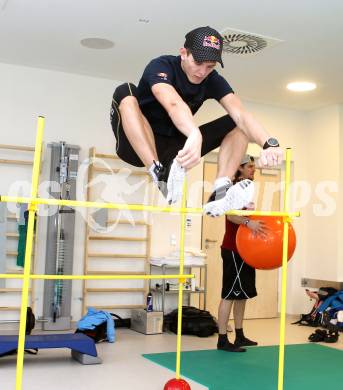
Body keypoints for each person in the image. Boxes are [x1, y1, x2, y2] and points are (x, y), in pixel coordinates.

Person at [110, 26, 283, 216]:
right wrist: (194, 133)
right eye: (198, 63)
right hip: (136, 144)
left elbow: (241, 114)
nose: (202, 72)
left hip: (174, 150)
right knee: (125, 90)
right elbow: (173, 103)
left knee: (236, 123)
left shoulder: (213, 80)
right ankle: (158, 174)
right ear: (183, 53)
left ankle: (220, 190)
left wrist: (269, 143)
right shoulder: (161, 66)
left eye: (210, 67)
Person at [217, 155, 267, 352]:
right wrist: (248, 222)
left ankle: (239, 335)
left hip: (246, 250)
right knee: (229, 294)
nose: (254, 170)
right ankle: (222, 339)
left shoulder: (246, 188)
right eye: (250, 167)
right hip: (233, 249)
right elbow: (230, 215)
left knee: (242, 294)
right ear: (239, 168)